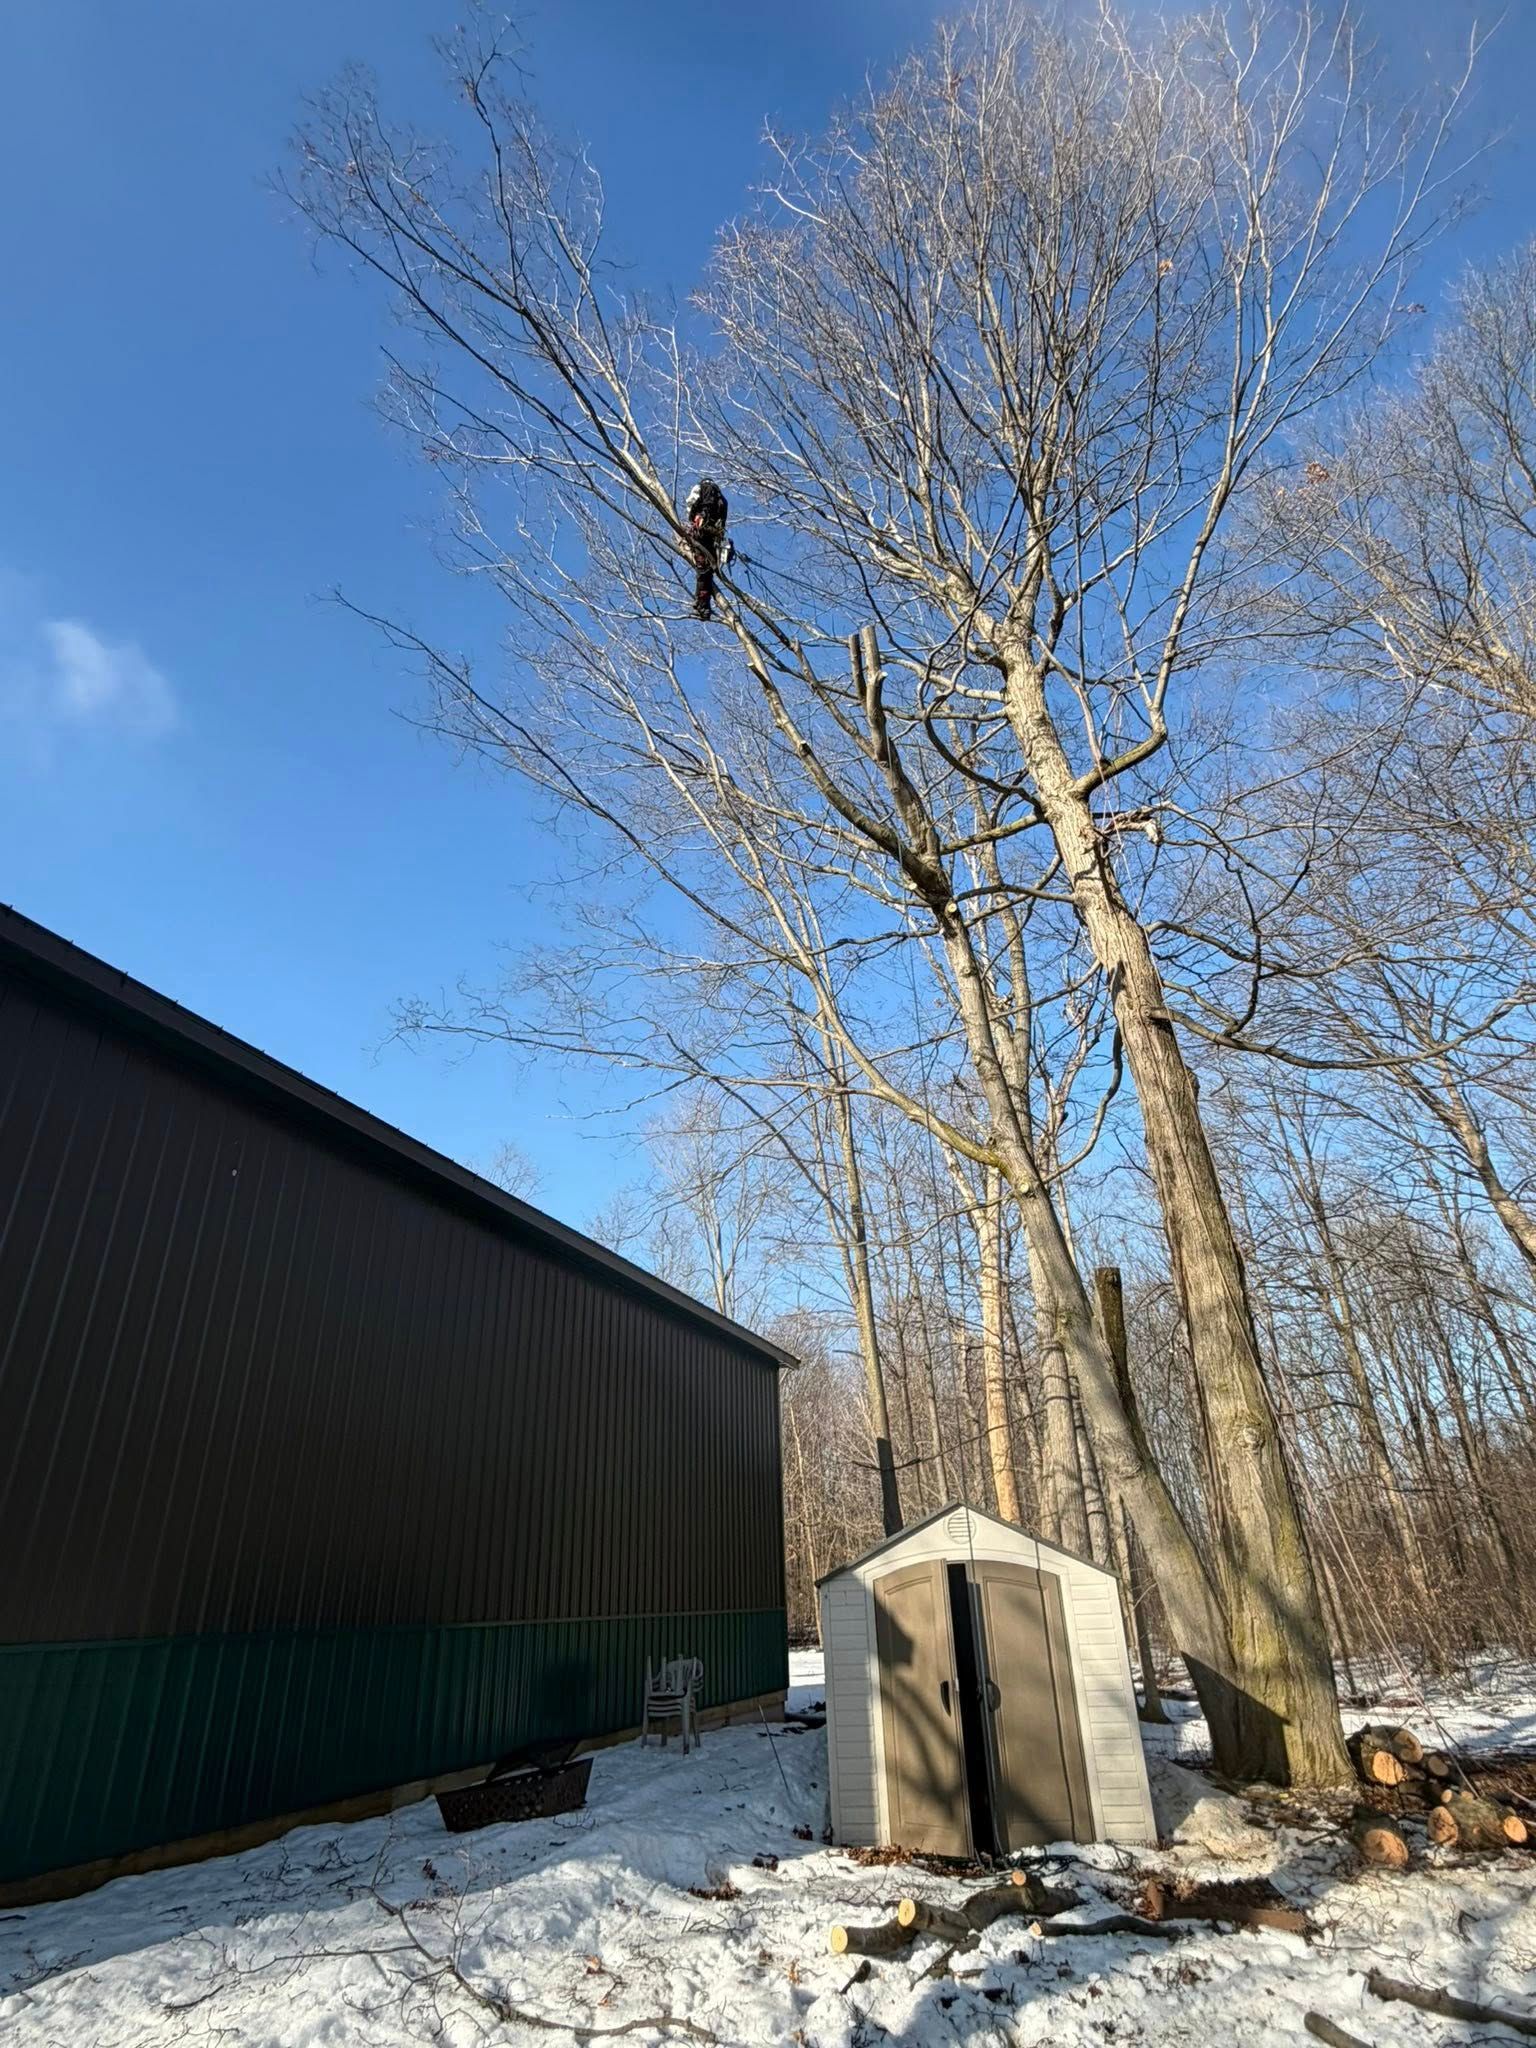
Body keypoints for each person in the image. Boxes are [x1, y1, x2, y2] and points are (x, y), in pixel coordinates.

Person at [685, 476, 729, 620]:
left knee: (703, 570)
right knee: (706, 572)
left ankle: (702, 604)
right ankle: (703, 605)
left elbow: (704, 507)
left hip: (704, 534)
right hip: (712, 537)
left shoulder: (707, 490)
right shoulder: (721, 499)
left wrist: (701, 516)